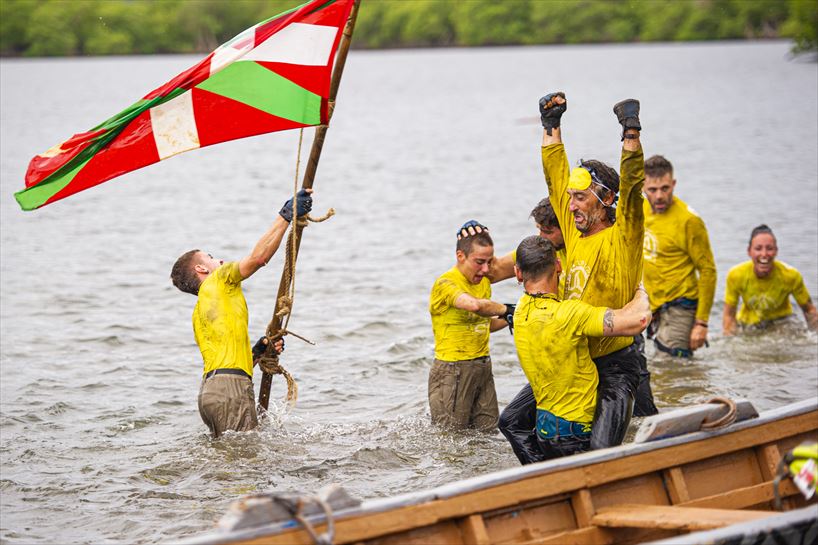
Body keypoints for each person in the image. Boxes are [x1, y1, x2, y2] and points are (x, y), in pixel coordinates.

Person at [539, 91, 657, 451]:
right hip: (576, 360)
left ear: (605, 198)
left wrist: (630, 131)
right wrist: (551, 124)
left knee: (608, 448)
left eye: (581, 197)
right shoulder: (574, 233)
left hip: (618, 363)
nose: (570, 205)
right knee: (513, 423)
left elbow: (634, 184)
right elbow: (554, 175)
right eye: (571, 198)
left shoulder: (626, 233)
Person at [170, 189, 313, 438]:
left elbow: (227, 361)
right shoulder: (220, 279)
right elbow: (258, 258)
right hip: (229, 390)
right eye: (212, 257)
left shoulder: (200, 311)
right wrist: (286, 215)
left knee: (231, 462)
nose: (221, 260)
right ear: (202, 268)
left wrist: (257, 352)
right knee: (244, 469)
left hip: (210, 393)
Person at [510, 235, 651, 460]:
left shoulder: (520, 311)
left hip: (544, 433)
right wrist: (641, 291)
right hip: (577, 436)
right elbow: (639, 320)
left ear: (518, 273)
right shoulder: (570, 314)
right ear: (558, 266)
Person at [485, 199, 570, 464]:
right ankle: (543, 474)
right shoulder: (540, 250)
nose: (541, 237)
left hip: (585, 343)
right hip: (556, 354)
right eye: (538, 230)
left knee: (640, 415)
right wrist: (474, 238)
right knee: (511, 421)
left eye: (547, 231)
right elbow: (493, 270)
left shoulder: (581, 250)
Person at [428, 221, 510, 431]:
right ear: (460, 256)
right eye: (479, 262)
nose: (485, 269)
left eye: (489, 262)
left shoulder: (482, 282)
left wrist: (516, 315)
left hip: (483, 367)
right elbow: (473, 306)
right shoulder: (446, 284)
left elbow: (485, 324)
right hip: (452, 371)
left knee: (487, 434)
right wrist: (506, 309)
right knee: (450, 440)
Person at [642, 155, 717, 358]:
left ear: (673, 184)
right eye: (653, 190)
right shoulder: (640, 211)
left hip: (681, 306)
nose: (659, 196)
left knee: (670, 365)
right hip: (654, 305)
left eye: (665, 188)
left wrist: (701, 323)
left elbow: (708, 271)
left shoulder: (689, 220)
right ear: (642, 186)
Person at [723, 224, 818, 334]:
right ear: (749, 252)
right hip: (748, 324)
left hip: (782, 322)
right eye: (758, 249)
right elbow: (729, 315)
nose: (764, 254)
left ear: (776, 251)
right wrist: (730, 340)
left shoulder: (791, 276)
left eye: (769, 249)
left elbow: (809, 310)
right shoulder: (736, 275)